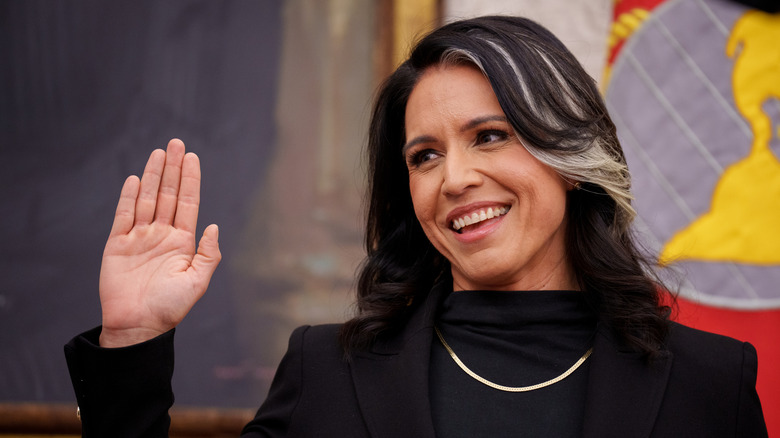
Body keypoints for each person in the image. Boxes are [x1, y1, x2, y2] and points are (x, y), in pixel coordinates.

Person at [65, 16, 767, 437]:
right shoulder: (325, 374)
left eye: (489, 136)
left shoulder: (712, 384)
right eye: (424, 156)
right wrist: (134, 341)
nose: (454, 177)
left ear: (570, 158)